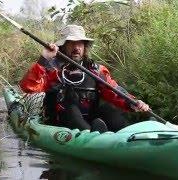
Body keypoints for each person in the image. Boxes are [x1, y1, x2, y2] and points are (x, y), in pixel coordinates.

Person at [19, 24, 149, 133]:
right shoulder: (51, 69)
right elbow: (28, 87)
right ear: (63, 46)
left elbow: (114, 91)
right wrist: (44, 59)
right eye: (71, 43)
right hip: (61, 121)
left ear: (84, 46)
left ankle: (133, 135)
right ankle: (95, 138)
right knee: (70, 106)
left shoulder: (96, 70)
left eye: (80, 43)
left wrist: (133, 102)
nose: (76, 48)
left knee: (110, 110)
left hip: (90, 119)